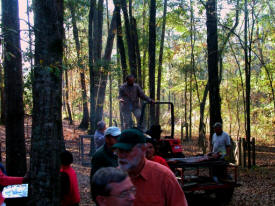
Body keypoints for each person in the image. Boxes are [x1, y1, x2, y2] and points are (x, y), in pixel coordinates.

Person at [113, 129, 188, 206]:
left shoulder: (163, 176)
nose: (121, 156)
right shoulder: (114, 178)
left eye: (127, 151)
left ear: (143, 150)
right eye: (119, 151)